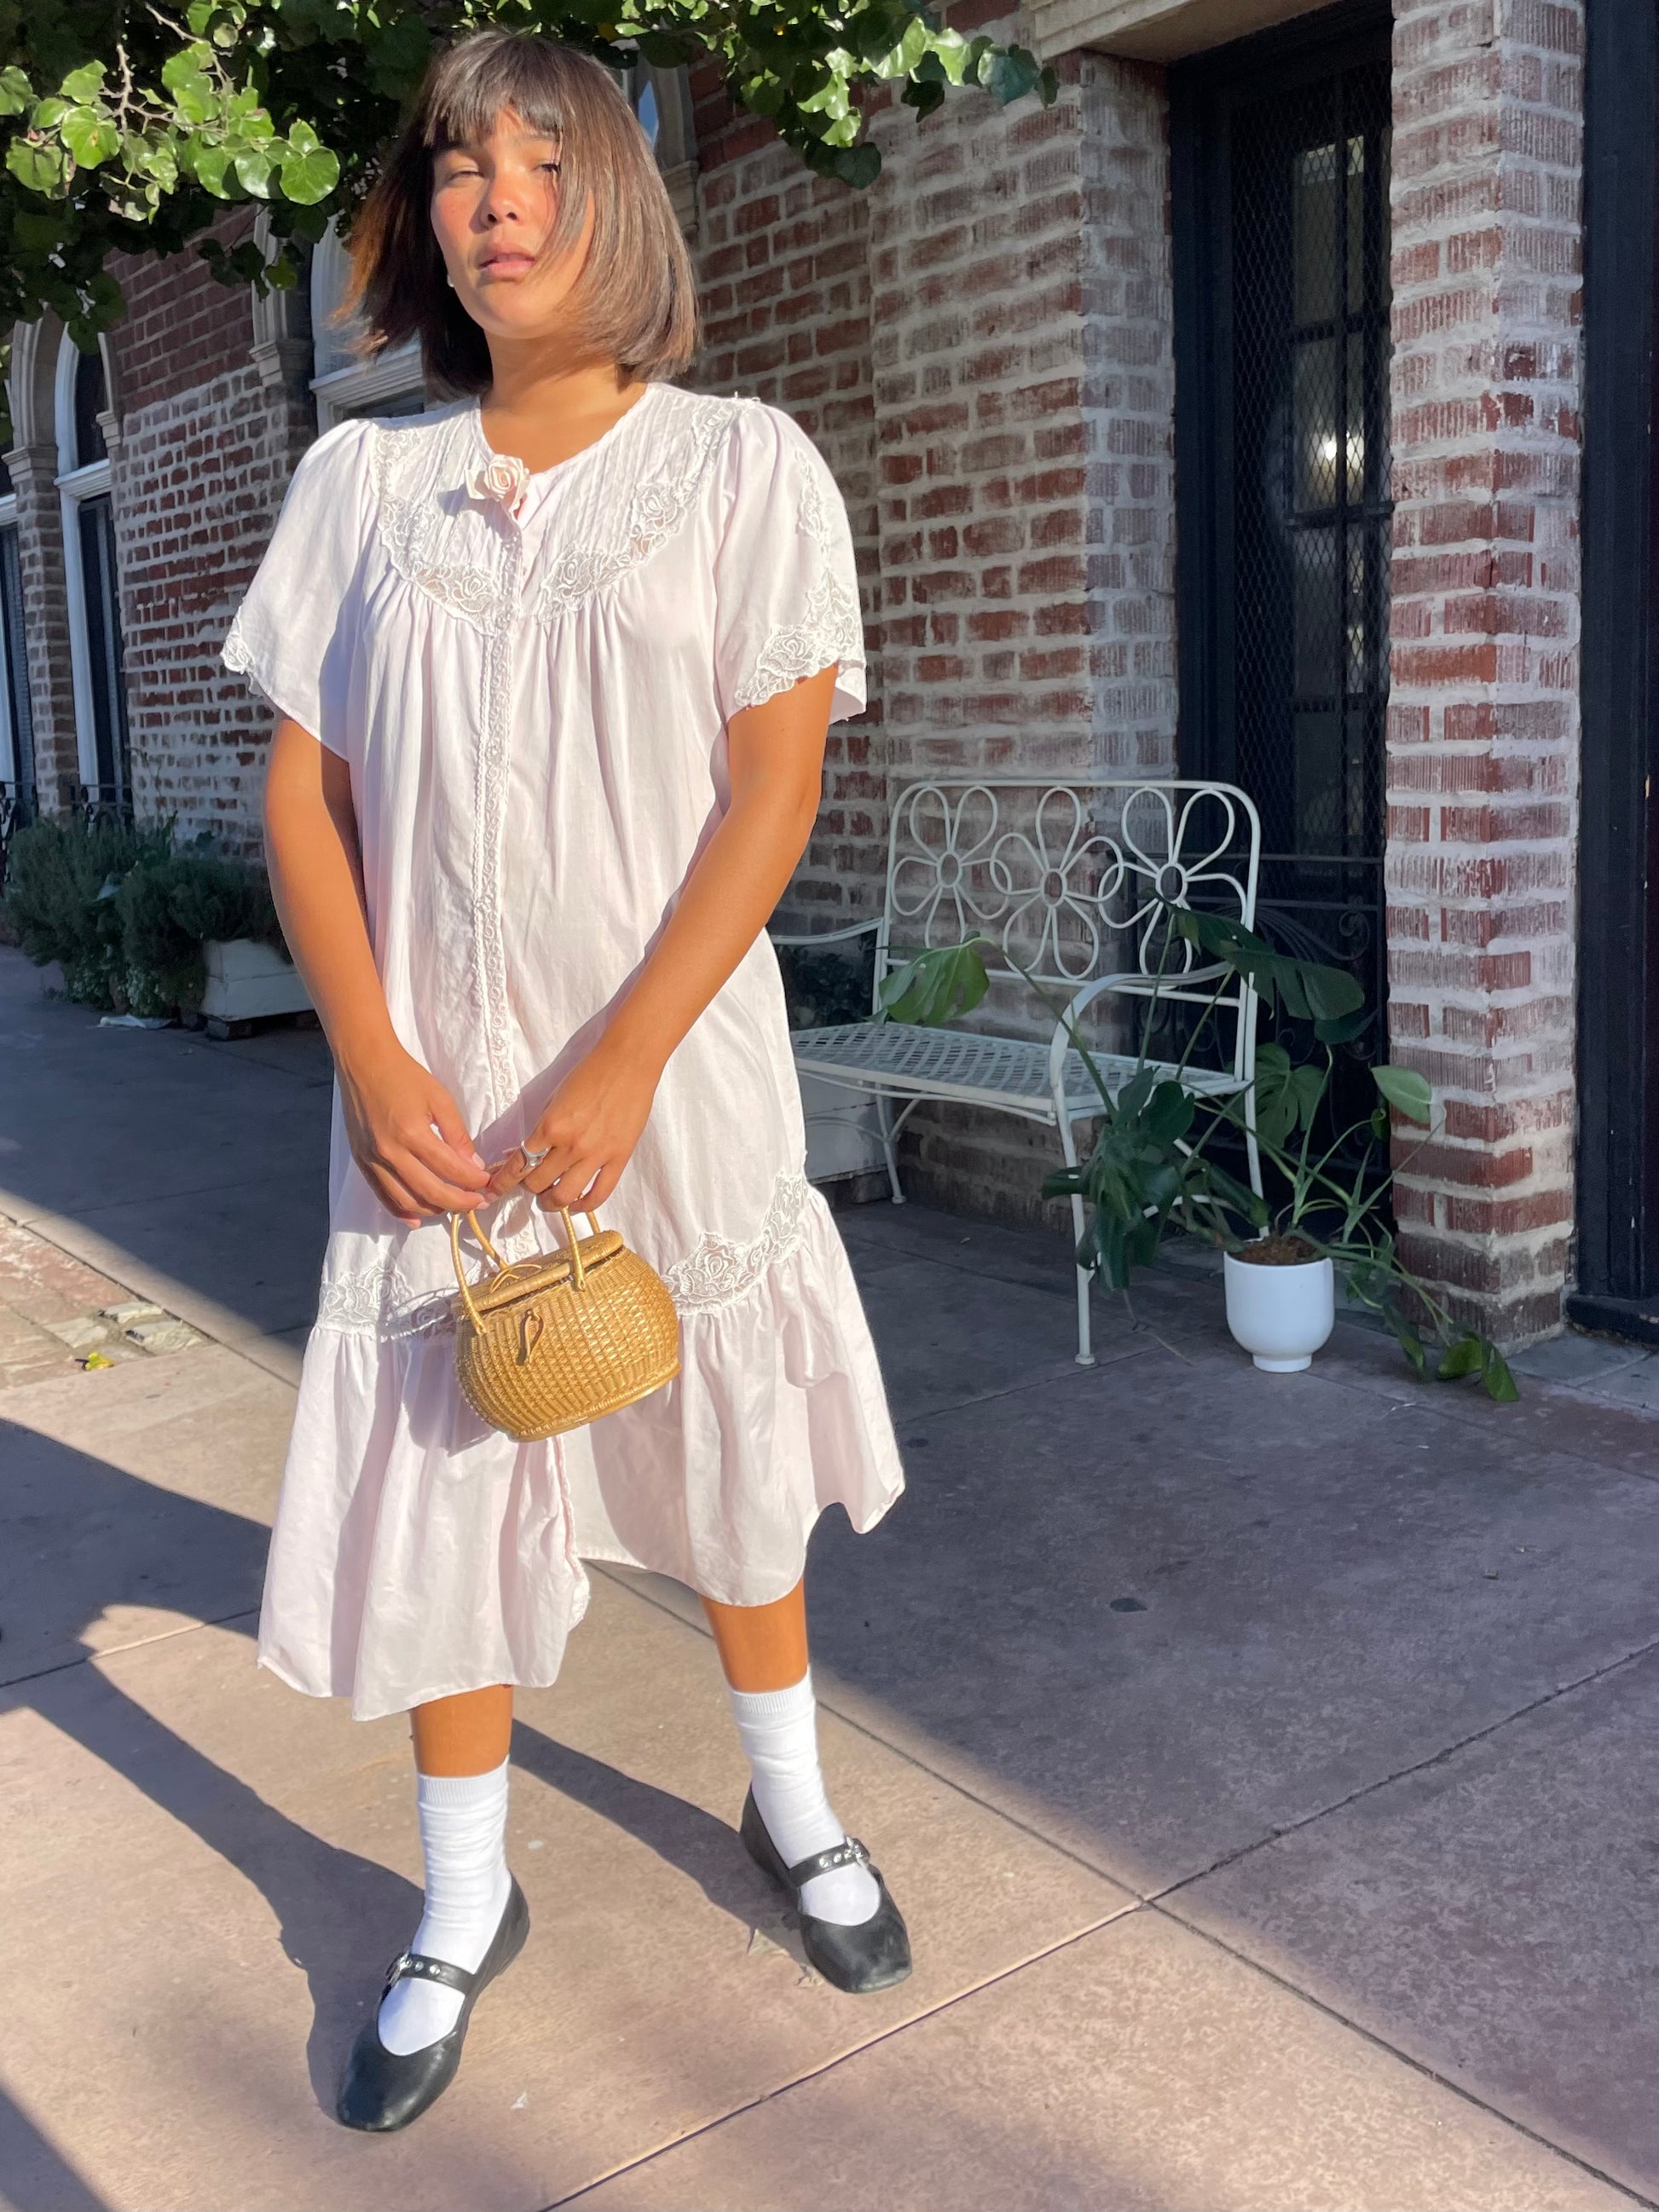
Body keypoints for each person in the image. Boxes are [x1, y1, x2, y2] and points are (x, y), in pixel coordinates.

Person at [223, 28, 909, 2135]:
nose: (493, 195)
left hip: (665, 1082)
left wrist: (625, 1056)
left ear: (618, 195)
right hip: (428, 1106)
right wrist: (361, 1043)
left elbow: (770, 789)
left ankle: (787, 1795)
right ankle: (457, 1896)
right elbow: (301, 791)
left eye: (540, 156)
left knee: (720, 1444)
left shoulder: (741, 466)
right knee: (443, 1475)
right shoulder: (357, 485)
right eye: (456, 164)